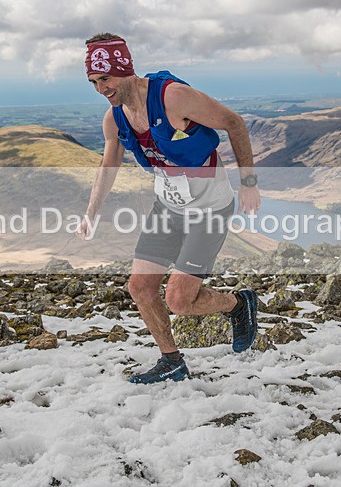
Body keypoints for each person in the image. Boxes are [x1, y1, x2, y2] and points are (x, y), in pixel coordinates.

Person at [76, 33, 261, 384]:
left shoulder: (172, 97)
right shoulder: (114, 119)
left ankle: (238, 305)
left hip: (209, 207)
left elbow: (234, 123)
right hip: (169, 205)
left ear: (125, 69)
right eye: (94, 82)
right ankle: (171, 361)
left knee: (179, 300)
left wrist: (249, 183)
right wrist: (91, 213)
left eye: (106, 78)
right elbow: (108, 164)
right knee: (141, 288)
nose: (101, 88)